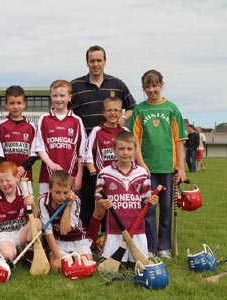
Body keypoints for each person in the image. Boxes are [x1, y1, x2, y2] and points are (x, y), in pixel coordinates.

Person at [70, 45, 136, 229]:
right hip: (88, 150)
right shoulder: (76, 86)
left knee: (113, 200)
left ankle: (111, 234)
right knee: (89, 200)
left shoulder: (118, 84)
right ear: (87, 62)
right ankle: (86, 237)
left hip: (113, 151)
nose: (96, 64)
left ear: (105, 61)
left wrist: (122, 118)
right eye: (92, 60)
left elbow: (132, 107)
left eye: (99, 60)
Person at [130, 69, 187, 259]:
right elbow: (134, 140)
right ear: (143, 88)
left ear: (162, 85)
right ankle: (150, 245)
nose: (152, 89)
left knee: (166, 207)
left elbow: (179, 139)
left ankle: (164, 246)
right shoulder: (139, 110)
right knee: (148, 207)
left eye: (155, 85)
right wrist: (140, 163)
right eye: (148, 86)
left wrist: (181, 167)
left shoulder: (172, 108)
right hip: (147, 168)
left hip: (168, 168)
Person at [94, 132, 159, 264]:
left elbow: (145, 199)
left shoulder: (142, 173)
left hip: (137, 228)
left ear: (135, 151)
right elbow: (99, 200)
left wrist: (150, 201)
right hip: (114, 228)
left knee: (139, 263)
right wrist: (102, 202)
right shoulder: (105, 173)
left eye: (129, 149)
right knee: (113, 264)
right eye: (121, 149)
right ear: (114, 150)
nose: (125, 153)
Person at [83, 97, 129, 245]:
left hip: (122, 180)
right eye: (109, 110)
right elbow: (88, 156)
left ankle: (112, 241)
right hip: (103, 180)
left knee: (117, 212)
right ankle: (91, 242)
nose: (113, 113)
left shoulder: (125, 131)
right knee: (99, 211)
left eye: (116, 110)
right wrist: (95, 176)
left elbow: (131, 155)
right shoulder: (97, 131)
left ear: (121, 113)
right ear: (103, 113)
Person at [35, 79, 86, 195]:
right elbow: (40, 147)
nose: (58, 99)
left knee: (69, 210)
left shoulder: (76, 121)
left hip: (70, 177)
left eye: (62, 95)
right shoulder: (44, 119)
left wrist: (79, 176)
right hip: (47, 176)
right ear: (50, 97)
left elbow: (81, 152)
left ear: (70, 97)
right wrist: (51, 164)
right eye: (55, 95)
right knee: (47, 210)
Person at [0, 161, 41, 260]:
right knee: (8, 255)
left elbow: (34, 217)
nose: (5, 184)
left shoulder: (24, 195)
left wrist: (32, 205)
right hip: (4, 236)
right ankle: (12, 252)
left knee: (37, 222)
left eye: (7, 180)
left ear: (17, 178)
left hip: (21, 234)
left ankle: (28, 254)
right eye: (1, 181)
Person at [38, 170, 93, 271]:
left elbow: (64, 230)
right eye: (57, 192)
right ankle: (64, 256)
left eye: (65, 193)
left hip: (77, 238)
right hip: (58, 240)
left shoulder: (75, 201)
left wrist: (68, 206)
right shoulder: (43, 201)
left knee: (84, 264)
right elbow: (48, 231)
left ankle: (75, 255)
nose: (61, 197)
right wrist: (58, 256)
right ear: (50, 189)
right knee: (59, 266)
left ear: (71, 190)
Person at [0, 85, 37, 193]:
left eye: (19, 103)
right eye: (12, 103)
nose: (16, 106)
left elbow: (34, 153)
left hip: (24, 176)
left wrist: (23, 167)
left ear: (24, 104)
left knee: (26, 204)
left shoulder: (32, 127)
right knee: (5, 203)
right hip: (5, 176)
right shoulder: (0, 126)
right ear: (6, 104)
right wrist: (9, 169)